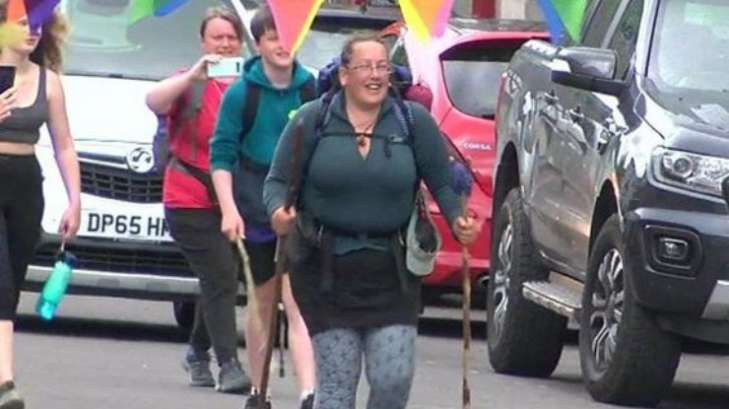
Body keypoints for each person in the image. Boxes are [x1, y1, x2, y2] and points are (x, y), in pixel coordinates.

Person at [263, 34, 480, 409]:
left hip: (392, 274)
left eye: (383, 67)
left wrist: (459, 220)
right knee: (336, 388)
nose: (376, 75)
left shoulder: (412, 122)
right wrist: (277, 213)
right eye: (365, 66)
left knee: (393, 381)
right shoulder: (312, 120)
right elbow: (277, 181)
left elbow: (443, 184)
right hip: (324, 272)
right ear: (344, 75)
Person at [210, 6, 316, 409]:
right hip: (255, 206)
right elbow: (221, 156)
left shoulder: (311, 90)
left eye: (288, 37)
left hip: (299, 208)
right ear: (258, 44)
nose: (282, 46)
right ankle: (260, 389)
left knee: (298, 300)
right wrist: (228, 209)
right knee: (263, 301)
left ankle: (309, 393)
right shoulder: (242, 94)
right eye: (273, 38)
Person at [145, 6, 250, 394]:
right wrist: (194, 75)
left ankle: (196, 351)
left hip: (234, 200)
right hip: (187, 196)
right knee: (221, 274)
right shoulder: (189, 82)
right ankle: (229, 364)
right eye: (217, 37)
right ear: (202, 42)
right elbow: (153, 101)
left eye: (231, 38)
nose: (225, 44)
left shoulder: (249, 85)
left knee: (222, 277)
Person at [0, 5, 80, 409]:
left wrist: (75, 200)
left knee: (12, 282)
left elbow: (64, 145)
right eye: (22, 25)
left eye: (37, 25)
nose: (32, 32)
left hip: (26, 185)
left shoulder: (49, 81)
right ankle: (5, 381)